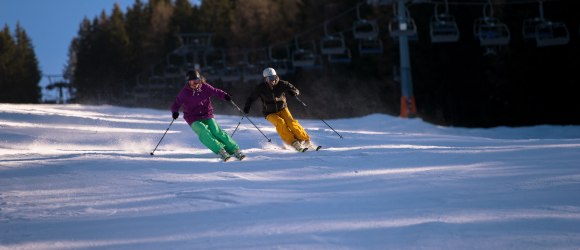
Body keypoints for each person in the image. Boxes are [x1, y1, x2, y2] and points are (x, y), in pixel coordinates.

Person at [171, 70, 245, 161]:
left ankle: (235, 149)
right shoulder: (184, 92)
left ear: (199, 80)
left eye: (196, 80)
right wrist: (175, 112)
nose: (195, 83)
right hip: (192, 117)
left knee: (216, 131)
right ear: (188, 82)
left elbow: (216, 91)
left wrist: (225, 95)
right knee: (203, 131)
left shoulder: (205, 87)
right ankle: (220, 150)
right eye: (192, 81)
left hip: (207, 114)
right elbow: (176, 104)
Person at [243, 67, 316, 152]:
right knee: (280, 123)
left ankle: (305, 140)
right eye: (270, 78)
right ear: (265, 79)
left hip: (282, 108)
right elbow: (251, 98)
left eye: (274, 77)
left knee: (291, 122)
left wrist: (294, 92)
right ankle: (293, 142)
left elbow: (295, 89)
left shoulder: (282, 84)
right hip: (269, 112)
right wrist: (247, 106)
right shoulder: (261, 88)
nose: (273, 80)